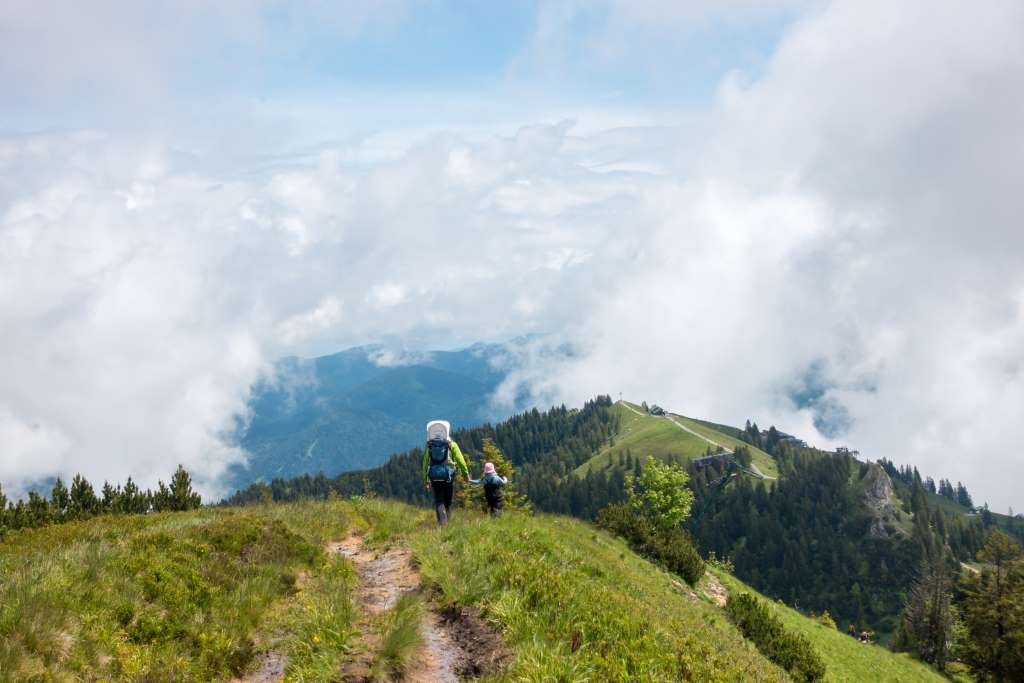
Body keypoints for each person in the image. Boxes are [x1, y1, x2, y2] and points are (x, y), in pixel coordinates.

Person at [422, 421, 469, 526]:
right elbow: (460, 460)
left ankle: (443, 524)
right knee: (448, 500)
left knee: (439, 500)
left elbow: (425, 463)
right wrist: (465, 474)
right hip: (448, 476)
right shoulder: (451, 445)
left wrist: (425, 480)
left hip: (434, 477)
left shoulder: (430, 446)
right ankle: (448, 523)